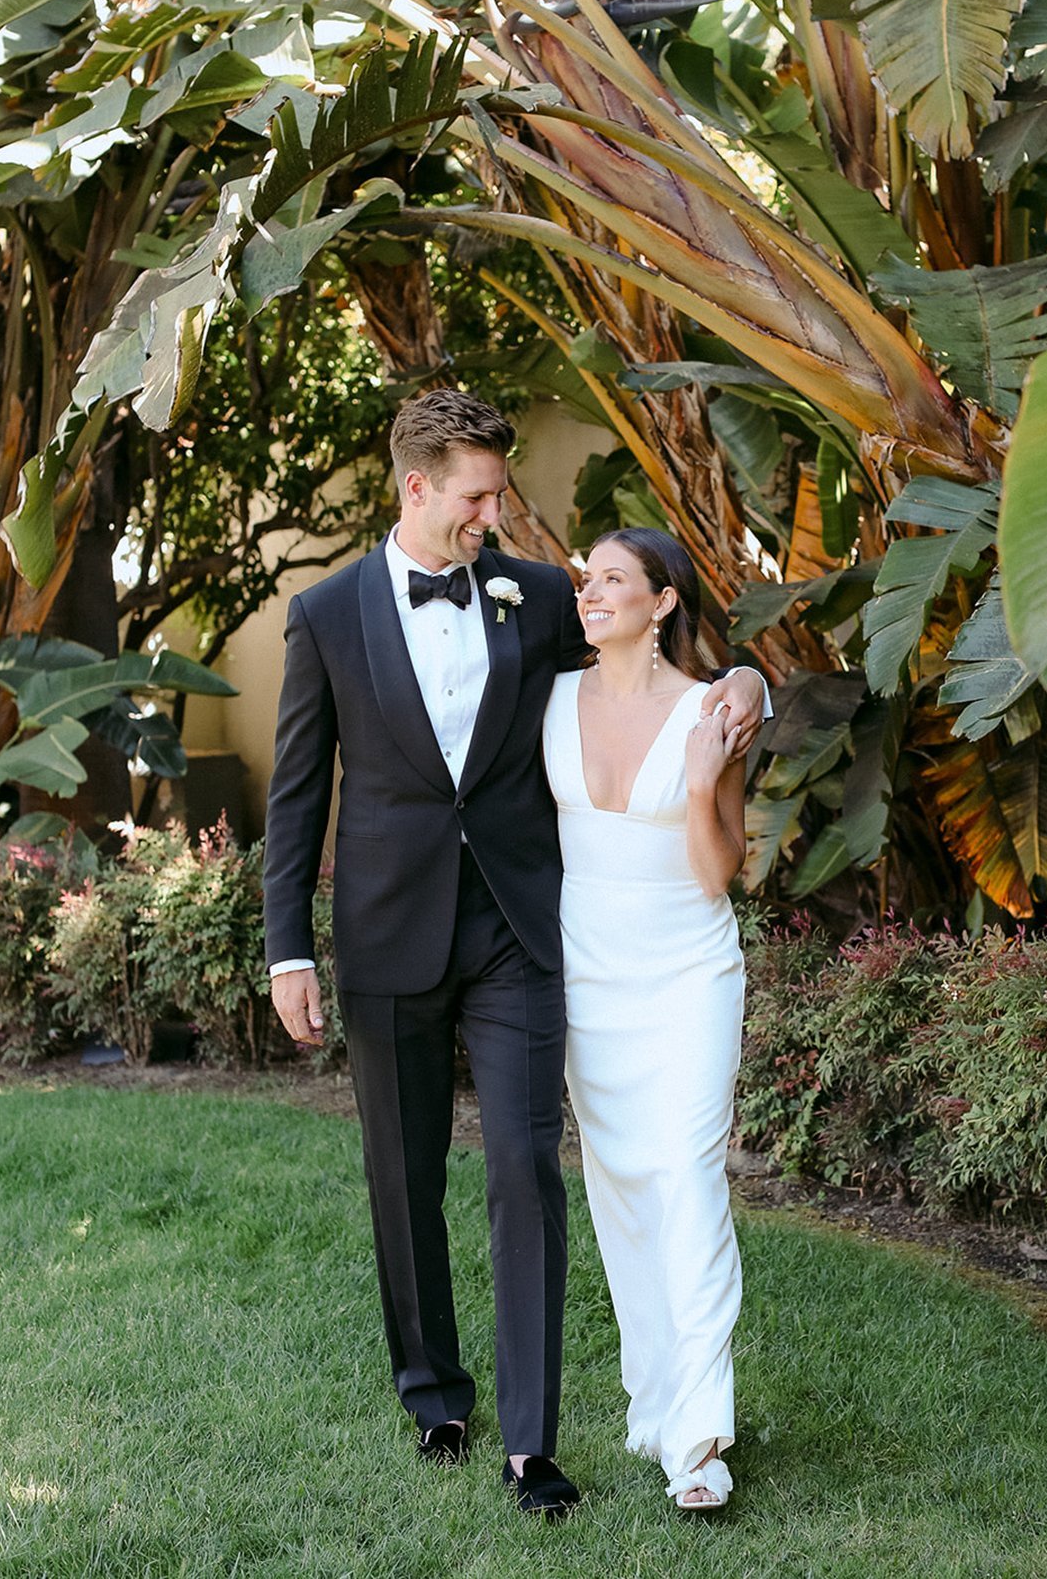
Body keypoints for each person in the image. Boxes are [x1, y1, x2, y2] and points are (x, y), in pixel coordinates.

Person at [262, 390, 767, 1518]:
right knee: (405, 1174)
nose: (498, 512)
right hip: (388, 930)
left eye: (498, 489)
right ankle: (436, 1391)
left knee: (525, 1168)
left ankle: (532, 1441)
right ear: (419, 487)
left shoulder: (538, 594)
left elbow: (667, 663)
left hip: (520, 937)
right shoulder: (327, 613)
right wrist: (286, 942)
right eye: (481, 493)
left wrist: (749, 683)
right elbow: (296, 795)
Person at [541, 527, 757, 1514]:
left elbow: (720, 874)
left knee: (687, 1171)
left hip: (688, 970)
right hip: (589, 974)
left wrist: (707, 777)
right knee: (622, 1188)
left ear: (662, 600)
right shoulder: (545, 697)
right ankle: (659, 1401)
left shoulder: (710, 710)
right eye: (587, 578)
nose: (592, 591)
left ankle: (703, 1433)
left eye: (614, 578)